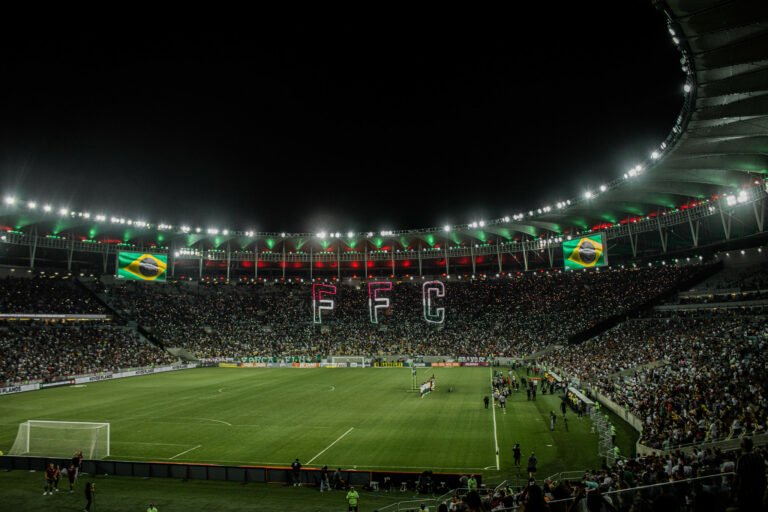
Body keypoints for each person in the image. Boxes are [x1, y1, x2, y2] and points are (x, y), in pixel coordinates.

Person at [732, 437, 766, 511]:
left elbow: (737, 478)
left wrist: (733, 494)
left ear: (742, 446)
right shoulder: (759, 457)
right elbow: (763, 475)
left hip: (746, 493)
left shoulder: (741, 459)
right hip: (758, 490)